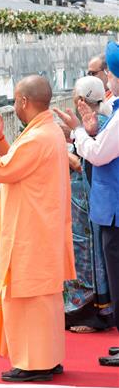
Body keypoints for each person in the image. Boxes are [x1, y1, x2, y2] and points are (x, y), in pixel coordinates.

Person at [0, 75, 75, 382]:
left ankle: (33, 363)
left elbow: (2, 170)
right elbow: (18, 162)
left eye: (15, 100)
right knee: (43, 300)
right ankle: (47, 357)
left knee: (28, 298)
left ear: (24, 101)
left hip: (30, 233)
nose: (14, 105)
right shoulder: (45, 130)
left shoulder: (39, 136)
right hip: (40, 230)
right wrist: (0, 138)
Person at [55, 40, 119, 367]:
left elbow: (94, 156)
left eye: (106, 72)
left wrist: (77, 137)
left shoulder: (113, 118)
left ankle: (97, 313)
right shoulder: (110, 116)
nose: (106, 78)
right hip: (101, 206)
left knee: (103, 266)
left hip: (106, 208)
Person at [62, 76, 112, 333]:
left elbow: (87, 162)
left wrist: (65, 151)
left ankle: (87, 312)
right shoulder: (100, 122)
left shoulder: (99, 125)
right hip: (87, 202)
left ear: (81, 101)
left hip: (87, 203)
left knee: (86, 256)